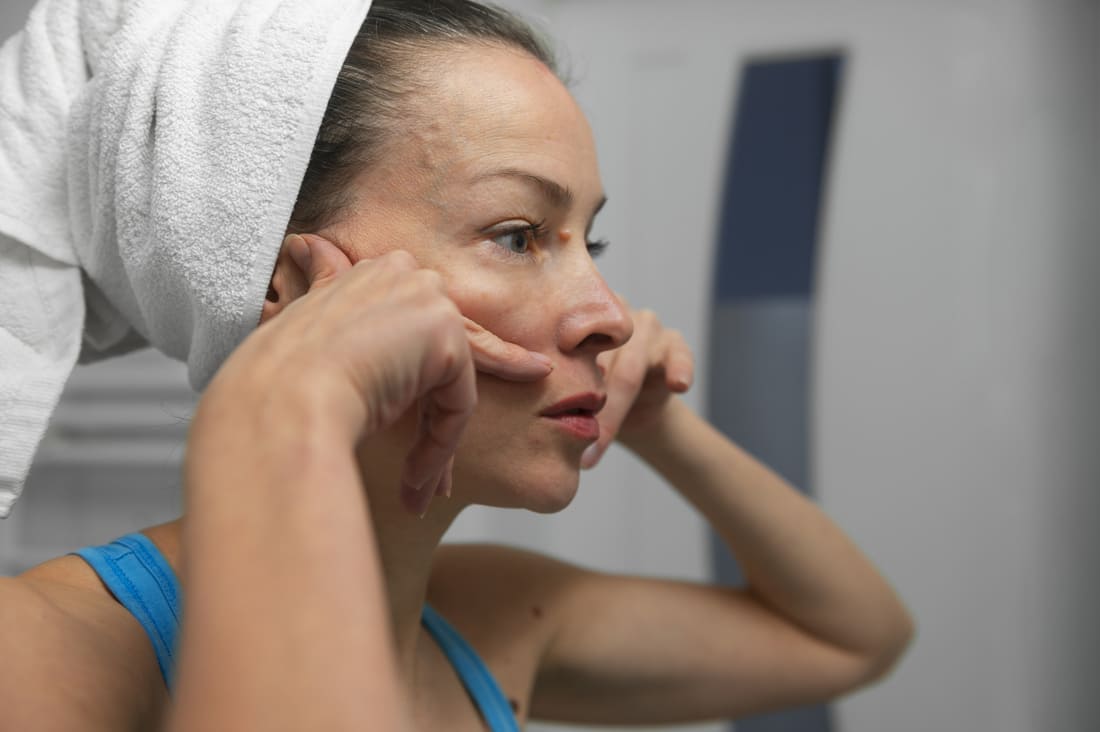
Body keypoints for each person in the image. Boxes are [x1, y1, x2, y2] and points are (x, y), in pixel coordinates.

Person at [0, 1, 914, 729]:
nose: (606, 315)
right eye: (517, 234)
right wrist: (276, 406)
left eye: (588, 240)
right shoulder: (39, 658)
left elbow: (847, 638)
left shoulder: (486, 623)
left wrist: (661, 427)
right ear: (285, 285)